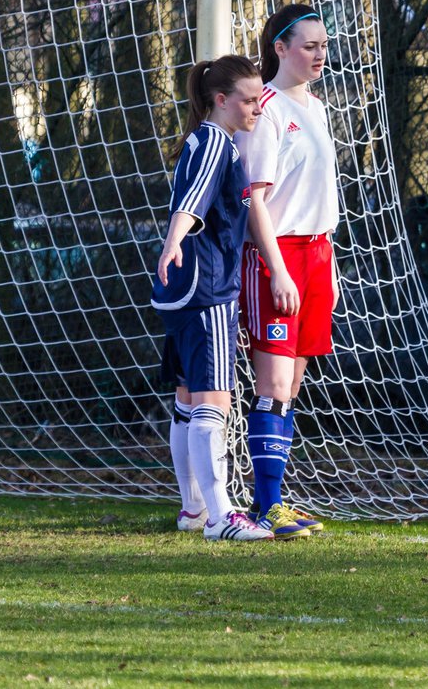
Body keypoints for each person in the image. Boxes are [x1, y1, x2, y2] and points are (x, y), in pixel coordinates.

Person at [152, 54, 273, 542]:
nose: (256, 109)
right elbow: (193, 199)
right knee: (213, 403)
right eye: (247, 100)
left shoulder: (206, 140)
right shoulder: (216, 145)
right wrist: (174, 240)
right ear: (220, 101)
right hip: (206, 290)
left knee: (186, 399)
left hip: (184, 292)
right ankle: (222, 516)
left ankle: (193, 510)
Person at [235, 4, 339, 540]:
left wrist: (332, 265)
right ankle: (266, 505)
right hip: (280, 257)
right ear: (280, 48)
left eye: (324, 44)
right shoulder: (268, 110)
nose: (320, 55)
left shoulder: (317, 108)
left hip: (317, 255)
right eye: (308, 46)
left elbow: (319, 193)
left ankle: (271, 501)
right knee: (273, 383)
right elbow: (256, 201)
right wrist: (277, 270)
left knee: (292, 385)